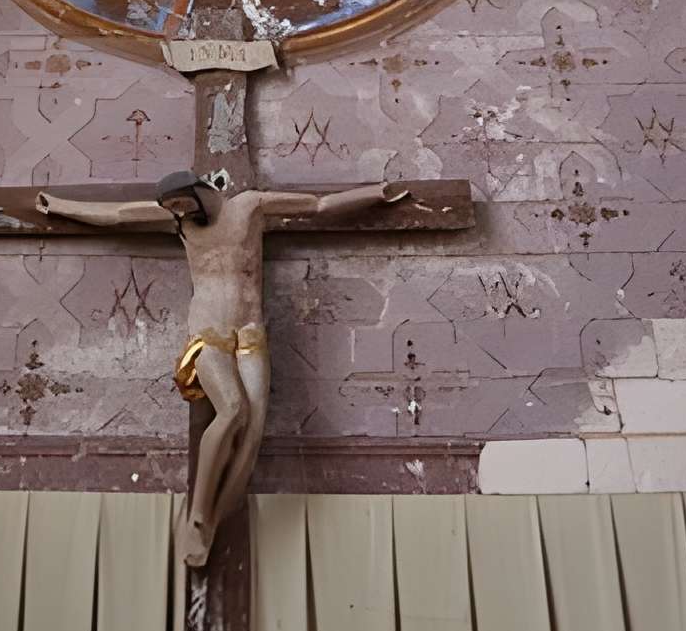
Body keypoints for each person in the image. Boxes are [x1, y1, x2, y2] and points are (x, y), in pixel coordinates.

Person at [34, 168, 409, 565]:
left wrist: (374, 193)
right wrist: (57, 206)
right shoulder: (180, 223)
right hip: (207, 330)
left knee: (252, 434)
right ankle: (197, 515)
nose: (176, 212)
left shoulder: (249, 207)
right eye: (171, 208)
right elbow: (116, 215)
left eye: (179, 202)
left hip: (250, 332)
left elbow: (317, 206)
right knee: (232, 410)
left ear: (199, 191)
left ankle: (214, 518)